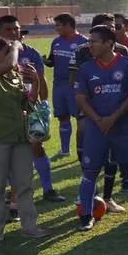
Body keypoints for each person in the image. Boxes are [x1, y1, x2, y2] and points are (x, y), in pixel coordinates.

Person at [74, 25, 128, 231]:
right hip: (97, 127)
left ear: (109, 43)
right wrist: (99, 120)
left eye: (94, 41)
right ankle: (85, 215)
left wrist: (114, 118)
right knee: (90, 170)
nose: (89, 45)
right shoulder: (87, 69)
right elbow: (81, 98)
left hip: (123, 126)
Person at [0, 15, 62, 203]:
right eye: (9, 29)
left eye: (16, 28)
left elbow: (41, 79)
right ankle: (12, 196)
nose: (14, 32)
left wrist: (44, 104)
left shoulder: (30, 52)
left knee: (36, 146)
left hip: (30, 106)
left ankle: (48, 189)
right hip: (3, 110)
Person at [0, 38, 48, 243]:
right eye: (4, 52)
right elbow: (9, 64)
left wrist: (36, 82)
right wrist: (14, 46)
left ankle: (30, 227)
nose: (9, 55)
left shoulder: (14, 75)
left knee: (24, 184)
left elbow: (30, 102)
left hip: (20, 137)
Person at [72, 14, 128, 206]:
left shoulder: (124, 55)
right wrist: (95, 117)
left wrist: (114, 117)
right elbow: (76, 83)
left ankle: (109, 197)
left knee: (115, 159)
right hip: (93, 116)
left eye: (113, 27)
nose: (112, 29)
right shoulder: (84, 53)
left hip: (119, 120)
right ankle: (88, 204)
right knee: (91, 159)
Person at [45, 13, 86, 160]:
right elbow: (52, 61)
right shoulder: (56, 42)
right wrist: (46, 61)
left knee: (81, 118)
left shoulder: (84, 42)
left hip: (76, 85)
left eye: (58, 25)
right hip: (58, 85)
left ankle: (84, 148)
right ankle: (64, 150)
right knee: (62, 116)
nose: (56, 29)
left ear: (68, 25)